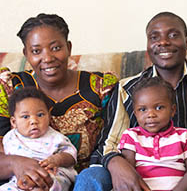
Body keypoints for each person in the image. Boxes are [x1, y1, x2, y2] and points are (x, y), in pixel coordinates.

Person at [74, 12, 187, 191]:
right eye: (154, 37)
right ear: (148, 46)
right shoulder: (126, 88)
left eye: (173, 35)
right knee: (90, 177)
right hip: (138, 171)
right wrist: (117, 164)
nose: (163, 42)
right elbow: (108, 143)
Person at [0, 13, 118, 190]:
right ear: (26, 54)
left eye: (55, 48)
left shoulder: (101, 89)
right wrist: (17, 164)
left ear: (68, 48)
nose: (47, 58)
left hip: (82, 181)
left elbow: (113, 143)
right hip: (19, 180)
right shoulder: (10, 87)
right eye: (36, 51)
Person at [118, 76, 187, 191]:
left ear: (172, 110)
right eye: (142, 109)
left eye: (159, 107)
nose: (150, 114)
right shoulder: (131, 136)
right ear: (135, 113)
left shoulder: (184, 135)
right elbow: (128, 171)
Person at [0, 87, 77, 191]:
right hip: (19, 181)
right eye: (25, 117)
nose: (34, 121)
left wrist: (56, 160)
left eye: (40, 115)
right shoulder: (10, 138)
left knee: (47, 185)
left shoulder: (55, 137)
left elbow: (71, 156)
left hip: (51, 177)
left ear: (49, 117)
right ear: (14, 122)